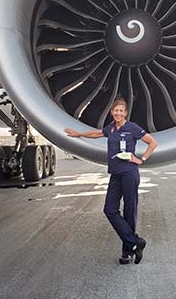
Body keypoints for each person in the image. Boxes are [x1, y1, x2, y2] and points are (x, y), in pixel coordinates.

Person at [65, 97, 158, 265]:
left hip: (129, 173)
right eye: (116, 110)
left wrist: (141, 159)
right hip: (115, 174)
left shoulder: (133, 128)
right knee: (110, 209)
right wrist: (78, 134)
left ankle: (127, 253)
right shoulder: (112, 128)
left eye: (121, 110)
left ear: (125, 113)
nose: (118, 113)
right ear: (112, 112)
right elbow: (96, 133)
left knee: (129, 211)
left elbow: (153, 143)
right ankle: (135, 242)